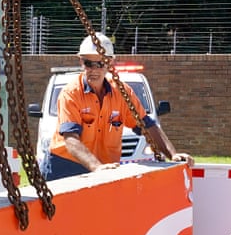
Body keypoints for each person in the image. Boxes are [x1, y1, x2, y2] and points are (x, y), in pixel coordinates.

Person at [39, 32, 191, 180]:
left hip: (104, 168)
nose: (94, 69)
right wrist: (96, 167)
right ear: (80, 61)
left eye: (100, 63)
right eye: (88, 63)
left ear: (110, 62)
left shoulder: (122, 93)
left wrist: (173, 154)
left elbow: (148, 125)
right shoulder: (71, 93)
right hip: (65, 166)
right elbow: (71, 139)